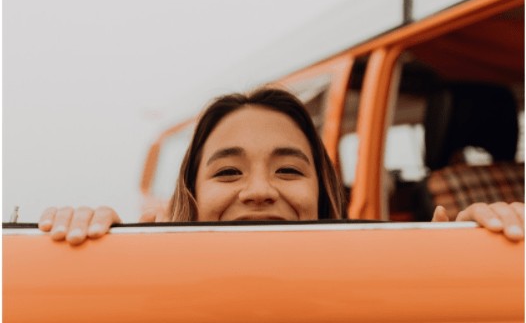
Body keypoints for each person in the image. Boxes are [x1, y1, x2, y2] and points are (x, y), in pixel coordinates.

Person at [39, 88, 525, 245]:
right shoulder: (136, 297)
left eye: (289, 170)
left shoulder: (378, 292)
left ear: (324, 195)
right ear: (187, 195)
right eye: (227, 172)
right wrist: (79, 248)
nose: (258, 191)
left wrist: (472, 266)